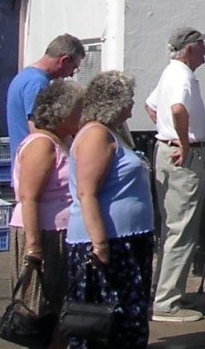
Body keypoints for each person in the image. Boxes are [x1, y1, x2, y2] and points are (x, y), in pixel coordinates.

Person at [66, 71, 154, 348]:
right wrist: (100, 244)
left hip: (129, 240)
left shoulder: (112, 132)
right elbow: (87, 192)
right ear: (114, 102)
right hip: (109, 243)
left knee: (130, 319)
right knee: (109, 322)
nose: (132, 104)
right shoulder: (96, 135)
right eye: (129, 98)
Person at [10, 80, 85, 346]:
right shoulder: (41, 144)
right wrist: (34, 247)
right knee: (41, 310)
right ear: (63, 112)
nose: (83, 114)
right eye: (79, 109)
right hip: (45, 234)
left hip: (63, 233)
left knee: (61, 310)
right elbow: (29, 197)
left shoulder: (65, 140)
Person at [145, 27, 205, 323]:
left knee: (172, 228)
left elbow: (151, 106)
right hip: (183, 156)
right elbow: (176, 110)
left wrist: (167, 135)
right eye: (202, 45)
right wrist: (183, 143)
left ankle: (165, 291)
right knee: (181, 229)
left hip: (167, 151)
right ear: (189, 49)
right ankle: (167, 302)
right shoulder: (182, 76)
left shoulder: (170, 73)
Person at [7, 34, 85, 159]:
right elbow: (38, 130)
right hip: (35, 162)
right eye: (73, 68)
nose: (71, 74)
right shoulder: (37, 83)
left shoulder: (25, 76)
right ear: (64, 60)